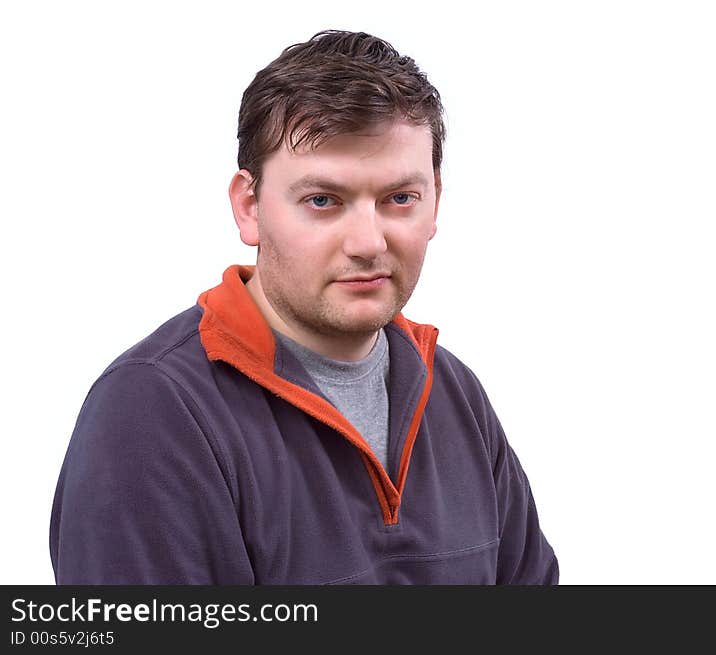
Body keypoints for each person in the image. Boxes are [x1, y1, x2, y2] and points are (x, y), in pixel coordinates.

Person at [49, 30, 559, 585]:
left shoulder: (455, 393)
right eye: (323, 201)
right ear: (249, 208)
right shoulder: (152, 413)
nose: (368, 242)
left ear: (435, 200)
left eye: (399, 199)